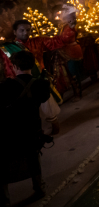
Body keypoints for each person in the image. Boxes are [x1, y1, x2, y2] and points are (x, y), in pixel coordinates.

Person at [0, 51, 51, 205]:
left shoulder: (6, 86)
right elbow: (44, 98)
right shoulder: (42, 84)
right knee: (33, 158)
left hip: (11, 132)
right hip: (33, 129)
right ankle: (38, 188)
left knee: (3, 164)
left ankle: (5, 199)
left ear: (14, 66)